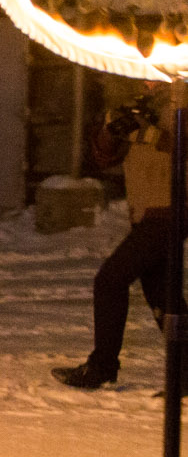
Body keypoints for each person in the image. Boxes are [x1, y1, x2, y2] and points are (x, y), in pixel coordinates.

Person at [55, 91, 181, 390]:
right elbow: (103, 158)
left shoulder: (180, 101)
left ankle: (101, 367)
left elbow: (181, 146)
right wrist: (111, 132)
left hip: (173, 209)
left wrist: (145, 133)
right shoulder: (134, 102)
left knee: (110, 280)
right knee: (162, 294)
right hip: (146, 212)